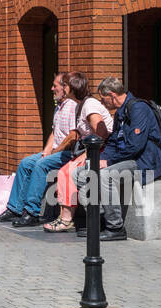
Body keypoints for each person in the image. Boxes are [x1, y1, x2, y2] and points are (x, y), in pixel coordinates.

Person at [78, 76, 161, 241]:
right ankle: (100, 219)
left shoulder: (138, 109)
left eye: (104, 100)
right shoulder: (120, 113)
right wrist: (98, 159)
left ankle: (115, 227)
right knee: (82, 173)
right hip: (125, 159)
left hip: (144, 162)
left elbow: (136, 146)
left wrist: (109, 162)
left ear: (112, 95)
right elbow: (113, 143)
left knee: (105, 176)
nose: (103, 104)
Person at [0, 72, 80, 226]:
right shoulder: (59, 107)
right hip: (55, 151)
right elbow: (55, 132)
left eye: (55, 86)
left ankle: (32, 212)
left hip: (68, 153)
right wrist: (46, 151)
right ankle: (15, 209)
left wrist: (55, 152)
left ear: (65, 88)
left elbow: (73, 135)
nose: (52, 89)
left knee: (41, 165)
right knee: (26, 163)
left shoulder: (73, 107)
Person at [44, 80, 114, 233]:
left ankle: (67, 219)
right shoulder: (80, 104)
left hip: (102, 150)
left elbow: (101, 132)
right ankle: (63, 217)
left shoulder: (89, 105)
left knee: (68, 172)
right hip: (91, 149)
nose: (62, 88)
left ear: (73, 88)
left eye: (65, 85)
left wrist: (89, 154)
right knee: (64, 171)